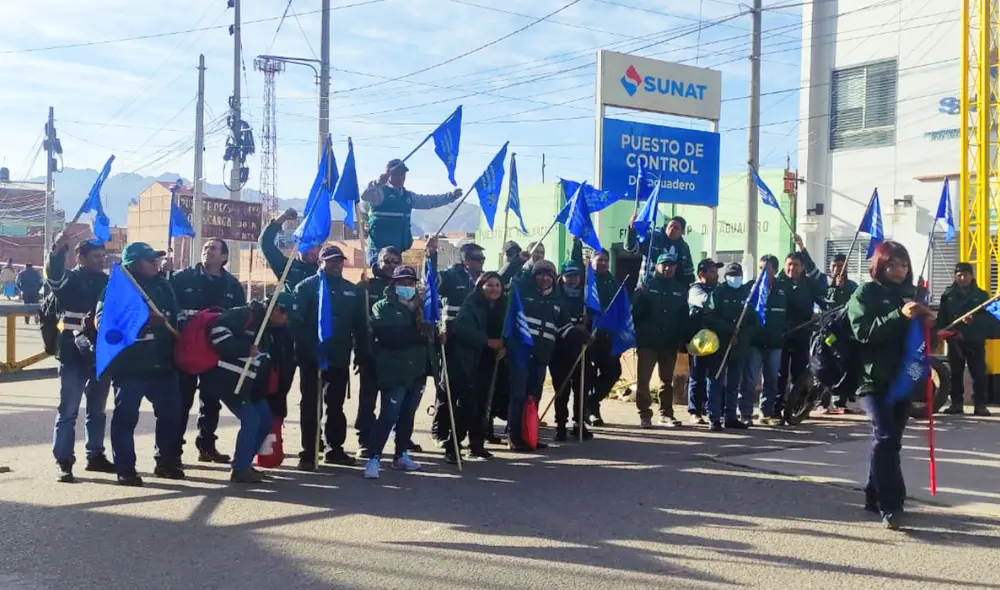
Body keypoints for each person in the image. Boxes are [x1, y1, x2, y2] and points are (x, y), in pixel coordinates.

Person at [847, 240, 933, 529]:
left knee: (891, 442)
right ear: (879, 264)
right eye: (892, 263)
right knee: (885, 437)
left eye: (904, 263)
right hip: (873, 380)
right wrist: (899, 315)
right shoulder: (866, 293)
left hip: (902, 381)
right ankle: (892, 503)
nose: (899, 269)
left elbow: (916, 341)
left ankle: (874, 494)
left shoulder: (912, 295)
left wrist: (934, 328)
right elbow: (863, 332)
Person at [98, 243, 183, 486]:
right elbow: (105, 325)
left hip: (163, 364)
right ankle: (126, 469)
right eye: (149, 260)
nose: (155, 263)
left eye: (155, 259)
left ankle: (165, 462)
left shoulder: (164, 286)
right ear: (132, 264)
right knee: (126, 419)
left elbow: (176, 316)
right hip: (131, 367)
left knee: (171, 415)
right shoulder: (116, 290)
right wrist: (143, 321)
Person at [202, 294, 297, 483]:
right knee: (252, 421)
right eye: (287, 316)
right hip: (230, 380)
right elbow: (217, 330)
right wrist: (244, 349)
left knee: (265, 421)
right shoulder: (245, 314)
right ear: (277, 310)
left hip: (253, 386)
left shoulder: (273, 329)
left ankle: (244, 463)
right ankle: (240, 469)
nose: (288, 321)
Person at [170, 238, 247, 464]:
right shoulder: (181, 278)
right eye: (206, 248)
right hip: (188, 347)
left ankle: (207, 446)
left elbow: (240, 318)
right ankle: (173, 451)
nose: (208, 251)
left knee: (211, 400)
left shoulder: (232, 285)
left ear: (224, 257)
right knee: (182, 401)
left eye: (214, 249)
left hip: (216, 350)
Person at [293, 245, 370, 471]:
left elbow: (360, 326)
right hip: (313, 358)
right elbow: (296, 323)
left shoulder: (352, 291)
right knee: (310, 406)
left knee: (335, 405)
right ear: (320, 262)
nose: (336, 265)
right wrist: (307, 351)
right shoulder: (306, 288)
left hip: (338, 357)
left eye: (339, 261)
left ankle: (334, 449)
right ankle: (308, 452)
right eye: (331, 261)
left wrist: (363, 353)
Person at [45, 238, 114, 482]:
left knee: (97, 410)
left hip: (101, 353)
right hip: (72, 353)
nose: (102, 260)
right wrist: (57, 251)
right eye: (96, 256)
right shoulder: (69, 280)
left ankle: (95, 455)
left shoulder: (108, 282)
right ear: (80, 259)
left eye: (103, 256)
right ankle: (64, 460)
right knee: (68, 411)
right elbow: (53, 277)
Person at [364, 265, 436, 479]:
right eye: (402, 282)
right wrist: (421, 336)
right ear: (394, 284)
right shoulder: (383, 306)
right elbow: (390, 337)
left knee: (407, 415)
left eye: (410, 283)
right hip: (394, 371)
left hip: (417, 369)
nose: (407, 286)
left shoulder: (422, 307)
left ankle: (401, 454)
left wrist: (435, 336)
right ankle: (373, 458)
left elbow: (427, 334)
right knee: (389, 415)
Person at [258, 207, 319, 454]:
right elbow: (266, 244)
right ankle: (272, 444)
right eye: (307, 244)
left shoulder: (326, 272)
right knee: (279, 389)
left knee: (312, 396)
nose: (311, 249)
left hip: (313, 340)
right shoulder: (287, 267)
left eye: (316, 244)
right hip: (285, 338)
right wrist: (281, 220)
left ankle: (312, 446)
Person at [445, 272, 507, 462]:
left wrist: (505, 349)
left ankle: (477, 445)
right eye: (489, 285)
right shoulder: (471, 304)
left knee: (484, 406)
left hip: (490, 362)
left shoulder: (504, 305)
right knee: (467, 407)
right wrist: (488, 342)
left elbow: (508, 332)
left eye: (497, 285)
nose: (494, 288)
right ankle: (452, 447)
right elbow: (463, 330)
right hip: (469, 362)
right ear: (481, 286)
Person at [507, 260, 569, 451]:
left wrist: (579, 335)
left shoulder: (559, 301)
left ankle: (529, 434)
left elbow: (564, 329)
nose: (544, 278)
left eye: (549, 275)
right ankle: (514, 436)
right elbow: (512, 284)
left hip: (542, 356)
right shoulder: (523, 294)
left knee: (534, 397)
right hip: (522, 353)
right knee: (518, 395)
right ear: (534, 276)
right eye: (540, 274)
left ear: (554, 278)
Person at [430, 240, 485, 448]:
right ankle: (440, 431)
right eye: (478, 259)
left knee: (469, 390)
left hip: (473, 341)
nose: (481, 263)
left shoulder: (481, 280)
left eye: (482, 259)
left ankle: (469, 435)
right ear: (466, 260)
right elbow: (433, 283)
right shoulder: (452, 275)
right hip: (451, 339)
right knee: (448, 388)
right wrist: (432, 257)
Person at [360, 158, 464, 265]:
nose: (401, 177)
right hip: (379, 252)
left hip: (397, 252)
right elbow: (365, 196)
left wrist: (451, 196)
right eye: (396, 174)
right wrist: (377, 183)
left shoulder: (407, 196)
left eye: (403, 174)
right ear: (388, 175)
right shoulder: (380, 193)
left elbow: (429, 201)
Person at [632, 252, 689, 428]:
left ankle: (666, 414)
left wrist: (683, 341)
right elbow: (635, 314)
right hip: (648, 342)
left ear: (675, 268)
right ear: (656, 266)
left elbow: (683, 318)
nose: (667, 268)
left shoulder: (680, 290)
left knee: (667, 380)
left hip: (669, 343)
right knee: (644, 380)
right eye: (663, 265)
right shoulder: (647, 286)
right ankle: (644, 414)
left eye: (671, 265)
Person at [355, 246, 402, 459]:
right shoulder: (368, 286)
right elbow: (356, 321)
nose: (391, 265)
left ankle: (400, 438)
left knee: (394, 400)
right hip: (371, 353)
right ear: (379, 262)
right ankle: (365, 439)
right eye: (387, 261)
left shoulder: (404, 286)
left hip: (395, 354)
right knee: (368, 400)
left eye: (395, 261)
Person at [937, 262, 993, 417]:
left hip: (974, 340)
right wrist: (940, 331)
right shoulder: (948, 295)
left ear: (971, 275)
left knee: (978, 373)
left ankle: (980, 405)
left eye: (966, 274)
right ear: (955, 276)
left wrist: (974, 319)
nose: (963, 278)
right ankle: (956, 404)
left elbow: (988, 320)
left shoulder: (981, 296)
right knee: (955, 372)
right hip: (954, 339)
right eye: (959, 275)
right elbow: (943, 316)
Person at [551, 239, 593, 441]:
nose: (572, 280)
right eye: (569, 276)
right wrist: (577, 331)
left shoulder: (585, 294)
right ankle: (560, 425)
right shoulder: (555, 295)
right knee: (562, 389)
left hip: (581, 348)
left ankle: (579, 423)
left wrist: (588, 324)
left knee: (581, 387)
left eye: (575, 276)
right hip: (560, 349)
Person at [776, 246, 826, 418]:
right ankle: (776, 409)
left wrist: (820, 312)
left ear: (803, 267)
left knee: (799, 372)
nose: (792, 268)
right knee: (779, 373)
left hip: (803, 332)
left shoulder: (810, 284)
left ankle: (796, 407)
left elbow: (823, 300)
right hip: (781, 334)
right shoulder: (778, 282)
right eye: (789, 264)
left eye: (796, 265)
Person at [707, 263, 756, 430]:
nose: (735, 278)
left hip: (738, 346)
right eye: (732, 275)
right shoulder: (718, 292)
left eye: (738, 275)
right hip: (720, 345)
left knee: (734, 383)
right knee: (716, 381)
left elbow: (753, 321)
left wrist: (740, 336)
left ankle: (730, 417)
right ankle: (714, 417)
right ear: (726, 276)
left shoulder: (746, 294)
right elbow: (710, 317)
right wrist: (729, 331)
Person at [747, 255, 789, 426]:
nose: (763, 272)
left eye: (766, 268)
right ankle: (746, 413)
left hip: (774, 343)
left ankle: (767, 413)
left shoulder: (783, 289)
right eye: (760, 268)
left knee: (771, 379)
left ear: (774, 270)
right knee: (749, 379)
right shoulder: (751, 288)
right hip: (755, 342)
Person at [585, 249, 624, 427]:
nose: (603, 263)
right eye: (599, 260)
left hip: (608, 335)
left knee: (613, 372)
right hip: (590, 335)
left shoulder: (613, 281)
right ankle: (590, 411)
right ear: (592, 260)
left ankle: (592, 401)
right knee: (589, 374)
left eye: (606, 260)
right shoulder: (587, 280)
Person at [686, 258, 725, 425]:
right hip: (699, 339)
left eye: (716, 272)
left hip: (717, 338)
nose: (716, 275)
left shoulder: (719, 289)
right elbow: (708, 303)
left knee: (714, 376)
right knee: (697, 375)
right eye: (712, 271)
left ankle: (713, 410)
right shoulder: (696, 289)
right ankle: (694, 411)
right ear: (701, 274)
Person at [626, 214, 696, 286]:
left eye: (676, 228)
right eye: (670, 226)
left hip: (673, 290)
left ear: (682, 232)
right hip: (647, 287)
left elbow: (689, 273)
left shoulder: (684, 247)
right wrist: (632, 229)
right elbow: (631, 248)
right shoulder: (652, 238)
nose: (672, 229)